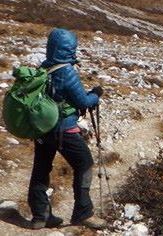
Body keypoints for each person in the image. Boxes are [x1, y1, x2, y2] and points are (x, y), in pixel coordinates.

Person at [27, 28, 106, 230]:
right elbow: (82, 100)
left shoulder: (44, 68)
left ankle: (40, 216)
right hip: (64, 130)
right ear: (69, 48)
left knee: (40, 170)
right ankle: (82, 213)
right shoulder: (66, 71)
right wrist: (96, 94)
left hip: (43, 129)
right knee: (85, 164)